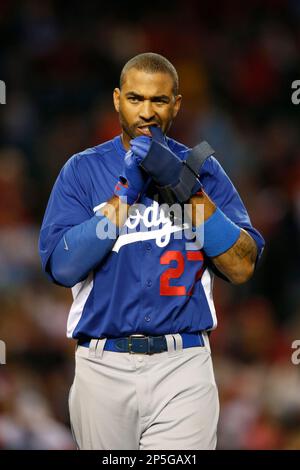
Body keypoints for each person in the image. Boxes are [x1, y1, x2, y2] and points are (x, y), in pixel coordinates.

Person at [39, 52, 265, 450]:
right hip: (102, 364)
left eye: (158, 100)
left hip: (183, 362)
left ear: (176, 104)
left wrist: (184, 186)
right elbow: (62, 265)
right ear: (116, 100)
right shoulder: (82, 170)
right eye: (135, 99)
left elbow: (242, 264)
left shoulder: (202, 171)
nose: (146, 112)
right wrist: (124, 195)